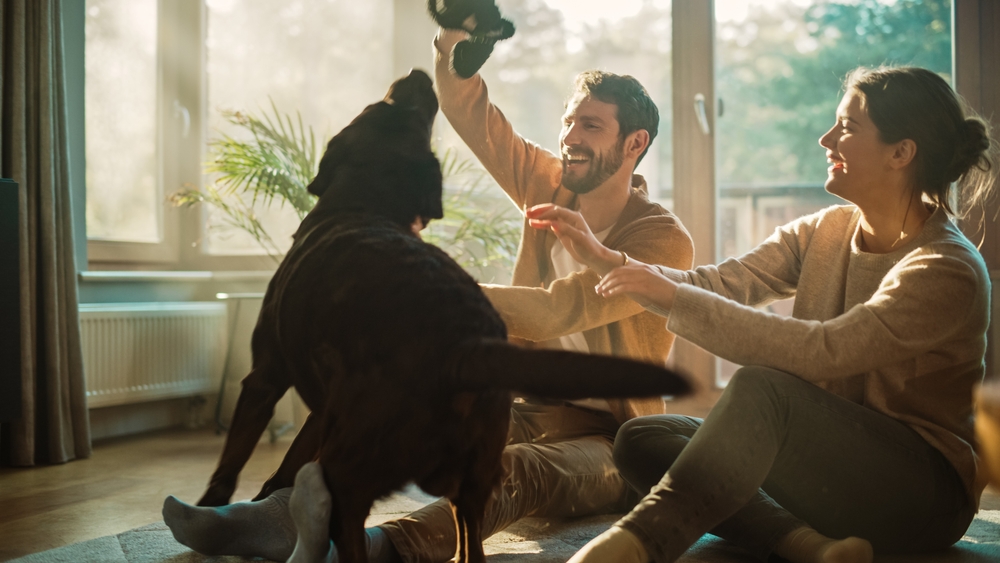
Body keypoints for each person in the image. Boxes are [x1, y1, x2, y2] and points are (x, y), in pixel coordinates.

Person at [162, 26, 694, 563]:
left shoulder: (662, 240)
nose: (571, 136)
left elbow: (563, 309)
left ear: (634, 144)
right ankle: (275, 517)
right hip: (530, 401)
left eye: (591, 125)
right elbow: (474, 118)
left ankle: (377, 547)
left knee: (513, 472)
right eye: (568, 121)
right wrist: (454, 48)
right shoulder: (548, 182)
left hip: (612, 441)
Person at [528, 66, 996, 563]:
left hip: (919, 499)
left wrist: (669, 296)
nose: (826, 138)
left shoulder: (946, 267)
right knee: (644, 437)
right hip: (830, 476)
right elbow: (725, 282)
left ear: (901, 153)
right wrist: (611, 260)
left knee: (762, 388)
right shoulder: (824, 230)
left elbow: (823, 351)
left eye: (847, 127)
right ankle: (805, 544)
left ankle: (641, 542)